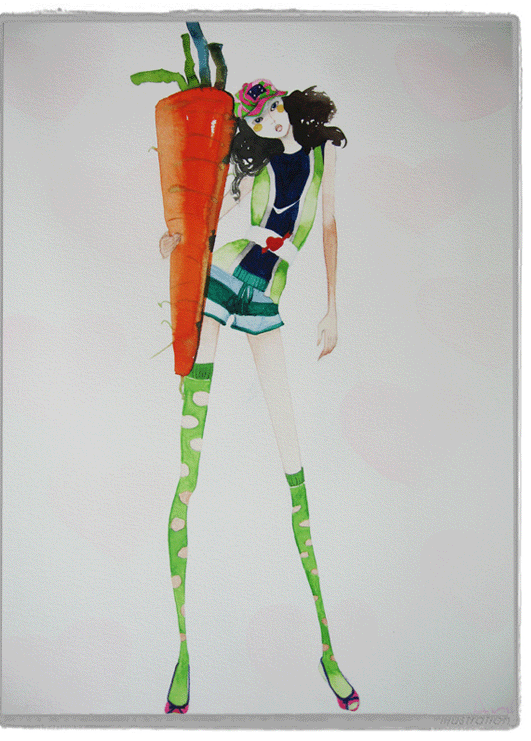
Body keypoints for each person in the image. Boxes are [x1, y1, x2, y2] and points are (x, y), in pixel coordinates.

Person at [159, 80, 359, 714]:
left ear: (286, 108)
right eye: (256, 115)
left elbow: (328, 230)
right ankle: (182, 648)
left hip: (265, 297)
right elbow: (211, 218)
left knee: (290, 452)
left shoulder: (321, 159)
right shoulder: (250, 166)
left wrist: (332, 308)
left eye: (271, 108)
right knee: (190, 456)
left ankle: (327, 646)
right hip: (220, 280)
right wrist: (174, 241)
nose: (268, 120)